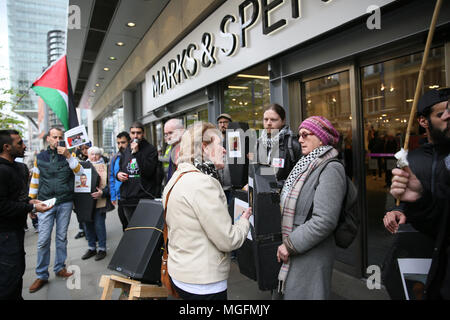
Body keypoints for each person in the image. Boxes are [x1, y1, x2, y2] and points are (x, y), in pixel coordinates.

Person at [163, 122, 252, 300]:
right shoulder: (203, 183)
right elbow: (228, 240)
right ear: (204, 147)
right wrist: (244, 220)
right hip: (203, 282)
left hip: (181, 273)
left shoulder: (179, 176)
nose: (225, 150)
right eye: (220, 145)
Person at [384, 88, 450, 299]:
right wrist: (395, 210)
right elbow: (398, 201)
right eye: (441, 114)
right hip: (419, 249)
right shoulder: (411, 158)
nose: (448, 117)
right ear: (423, 121)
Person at [274, 116, 345, 300]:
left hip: (310, 255)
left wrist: (290, 245)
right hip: (295, 250)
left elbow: (325, 220)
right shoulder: (306, 164)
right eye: (299, 135)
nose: (300, 139)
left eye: (305, 135)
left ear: (321, 138)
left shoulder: (331, 168)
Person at [28, 127, 85, 293]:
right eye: (54, 137)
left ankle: (60, 267)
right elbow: (35, 179)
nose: (57, 140)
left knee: (61, 237)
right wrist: (31, 200)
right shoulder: (41, 157)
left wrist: (68, 156)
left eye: (60, 137)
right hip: (45, 202)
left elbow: (80, 172)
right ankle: (41, 275)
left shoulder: (69, 155)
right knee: (43, 239)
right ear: (48, 139)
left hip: (65, 201)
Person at [0, 130, 52, 300]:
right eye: (20, 143)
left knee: (17, 273)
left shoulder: (20, 167)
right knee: (8, 278)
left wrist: (31, 202)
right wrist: (32, 209)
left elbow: (19, 198)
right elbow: (4, 206)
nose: (24, 146)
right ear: (6, 147)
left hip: (16, 231)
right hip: (5, 235)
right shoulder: (2, 171)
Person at [117, 121, 158, 222]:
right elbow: (121, 167)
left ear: (143, 134)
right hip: (127, 197)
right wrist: (118, 174)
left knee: (143, 228)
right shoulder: (126, 149)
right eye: (133, 133)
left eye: (138, 133)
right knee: (129, 229)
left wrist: (137, 153)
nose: (136, 136)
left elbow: (149, 171)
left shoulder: (150, 149)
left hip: (144, 197)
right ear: (130, 134)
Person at [253, 104, 301, 183]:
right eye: (266, 119)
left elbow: (300, 176)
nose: (268, 123)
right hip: (262, 192)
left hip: (285, 193)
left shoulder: (293, 144)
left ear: (283, 121)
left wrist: (278, 186)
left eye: (273, 119)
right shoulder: (258, 144)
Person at [81, 147, 111, 261]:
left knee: (99, 225)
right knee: (88, 225)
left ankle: (102, 249)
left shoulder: (106, 167)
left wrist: (103, 193)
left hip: (99, 202)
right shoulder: (81, 166)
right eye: (92, 154)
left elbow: (110, 185)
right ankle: (91, 247)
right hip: (85, 202)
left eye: (97, 154)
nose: (94, 157)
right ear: (88, 155)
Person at [109, 131, 130, 231]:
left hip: (132, 195)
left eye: (123, 142)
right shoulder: (115, 158)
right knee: (124, 223)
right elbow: (111, 177)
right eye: (118, 143)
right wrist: (113, 195)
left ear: (129, 142)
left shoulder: (134, 155)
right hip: (120, 196)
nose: (120, 145)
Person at [216, 113, 233, 204]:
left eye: (225, 122)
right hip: (219, 187)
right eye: (220, 122)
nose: (222, 125)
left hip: (232, 186)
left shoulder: (237, 139)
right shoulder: (214, 141)